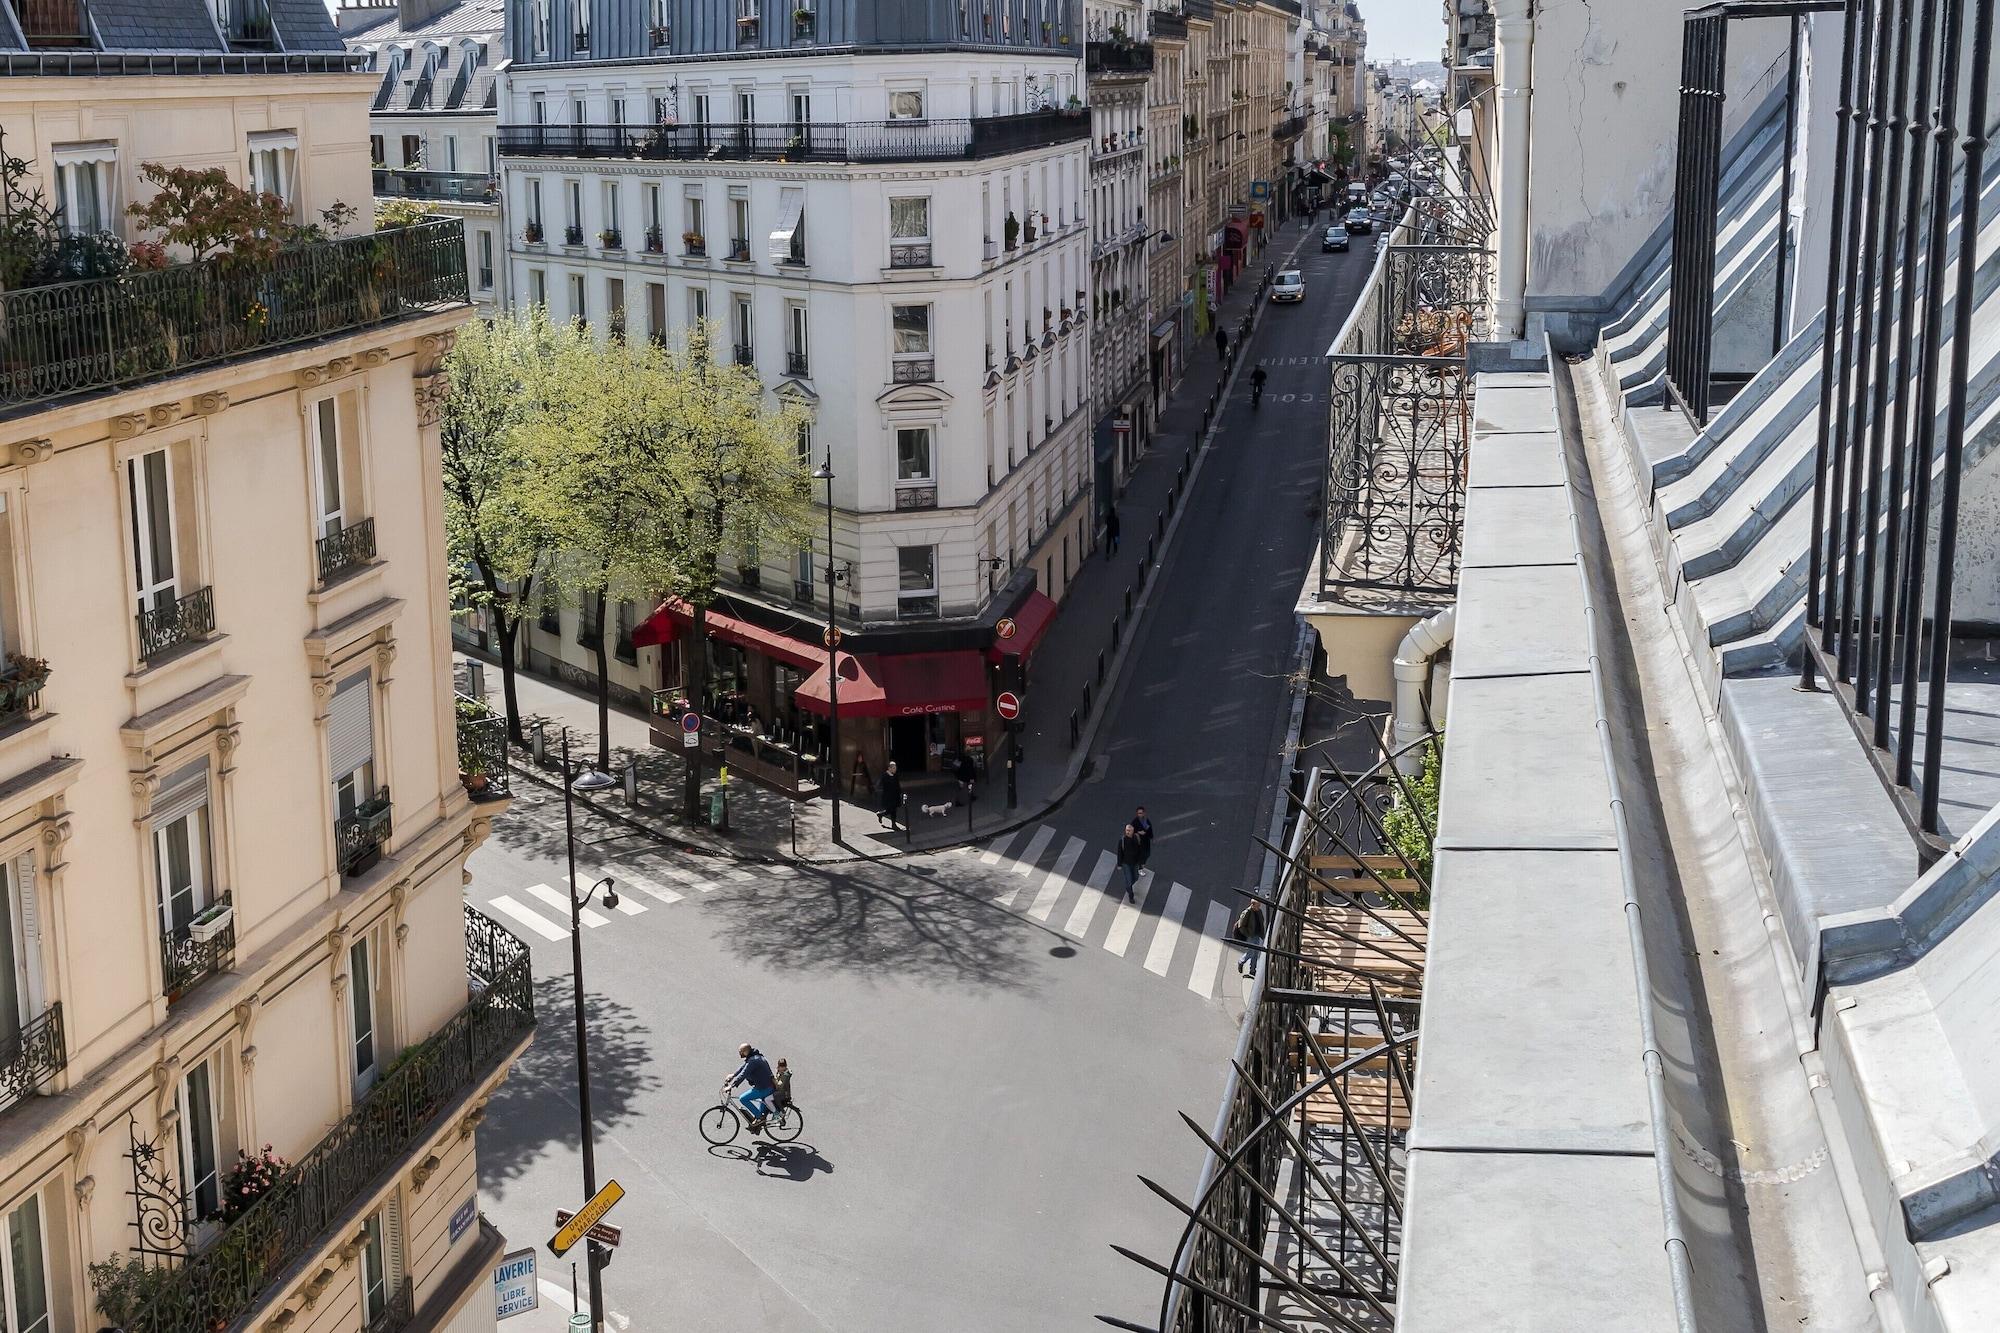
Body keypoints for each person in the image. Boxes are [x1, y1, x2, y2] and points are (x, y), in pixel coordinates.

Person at [724, 1043, 778, 1130]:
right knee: (760, 1107)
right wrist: (733, 1075)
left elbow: (744, 1074)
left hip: (764, 1088)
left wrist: (732, 1086)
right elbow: (743, 1067)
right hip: (766, 1085)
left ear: (745, 1051)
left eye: (740, 1052)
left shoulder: (753, 1061)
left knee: (743, 1098)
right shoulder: (754, 1057)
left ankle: (760, 1118)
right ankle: (757, 1124)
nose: (740, 1053)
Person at [1233, 898, 1267, 977]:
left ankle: (1252, 970)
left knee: (1255, 953)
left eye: (1259, 906)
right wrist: (1248, 934)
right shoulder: (1247, 912)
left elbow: (1261, 922)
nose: (1259, 907)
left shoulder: (1258, 911)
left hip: (1257, 934)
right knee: (1251, 952)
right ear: (1252, 905)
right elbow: (1241, 926)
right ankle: (1241, 961)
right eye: (1257, 906)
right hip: (1251, 935)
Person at [1116, 823, 1146, 902]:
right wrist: (1119, 864)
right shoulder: (1122, 840)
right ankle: (1131, 895)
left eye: (1129, 830)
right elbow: (1119, 853)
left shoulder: (1137, 838)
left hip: (1135, 863)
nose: (1128, 832)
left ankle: (1128, 886)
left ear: (1133, 831)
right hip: (1126, 864)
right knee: (1129, 879)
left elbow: (1140, 851)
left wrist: (1141, 862)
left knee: (1135, 878)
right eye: (1127, 830)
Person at [877, 760, 903, 830]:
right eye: (893, 768)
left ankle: (882, 816)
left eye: (895, 768)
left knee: (893, 810)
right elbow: (880, 784)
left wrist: (900, 793)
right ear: (889, 768)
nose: (895, 769)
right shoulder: (885, 776)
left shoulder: (895, 775)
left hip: (895, 796)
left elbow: (898, 785)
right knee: (891, 810)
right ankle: (882, 815)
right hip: (888, 796)